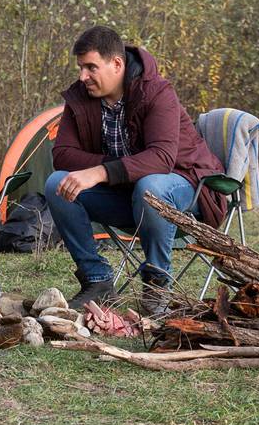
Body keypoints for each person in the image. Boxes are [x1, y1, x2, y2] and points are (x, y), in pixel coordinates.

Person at [43, 25, 227, 315]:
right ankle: (97, 281)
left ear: (117, 64)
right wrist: (113, 169)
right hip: (127, 195)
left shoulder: (156, 92)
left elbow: (162, 158)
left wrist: (100, 173)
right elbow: (62, 155)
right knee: (57, 183)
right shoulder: (80, 97)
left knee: (151, 185)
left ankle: (156, 282)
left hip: (185, 190)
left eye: (91, 67)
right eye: (80, 68)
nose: (83, 77)